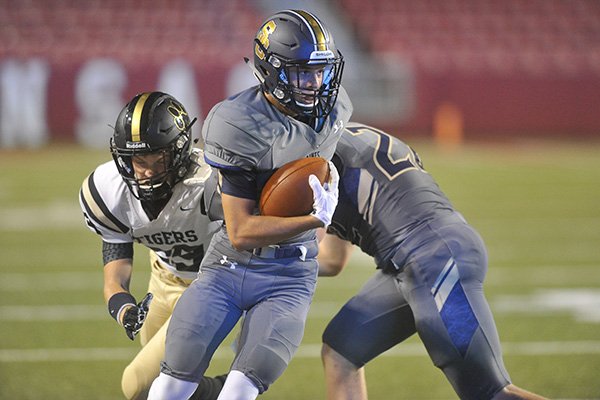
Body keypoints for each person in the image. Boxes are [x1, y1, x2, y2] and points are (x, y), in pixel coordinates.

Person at [148, 9, 352, 400]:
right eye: (302, 72)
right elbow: (241, 232)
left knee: (240, 390)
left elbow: (338, 150)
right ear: (272, 71)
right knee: (171, 386)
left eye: (320, 71)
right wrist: (313, 219)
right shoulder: (237, 123)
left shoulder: (336, 107)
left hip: (291, 273)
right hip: (230, 266)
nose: (315, 83)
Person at [317, 122, 548, 400]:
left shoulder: (317, 156)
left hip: (436, 259)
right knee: (341, 351)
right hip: (412, 264)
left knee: (489, 394)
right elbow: (332, 259)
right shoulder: (343, 142)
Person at [79, 91, 226, 400]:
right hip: (162, 282)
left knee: (138, 384)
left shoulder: (212, 183)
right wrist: (124, 308)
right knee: (165, 386)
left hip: (211, 288)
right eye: (137, 160)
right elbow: (114, 272)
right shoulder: (108, 191)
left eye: (157, 160)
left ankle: (232, 391)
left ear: (179, 151)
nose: (145, 171)